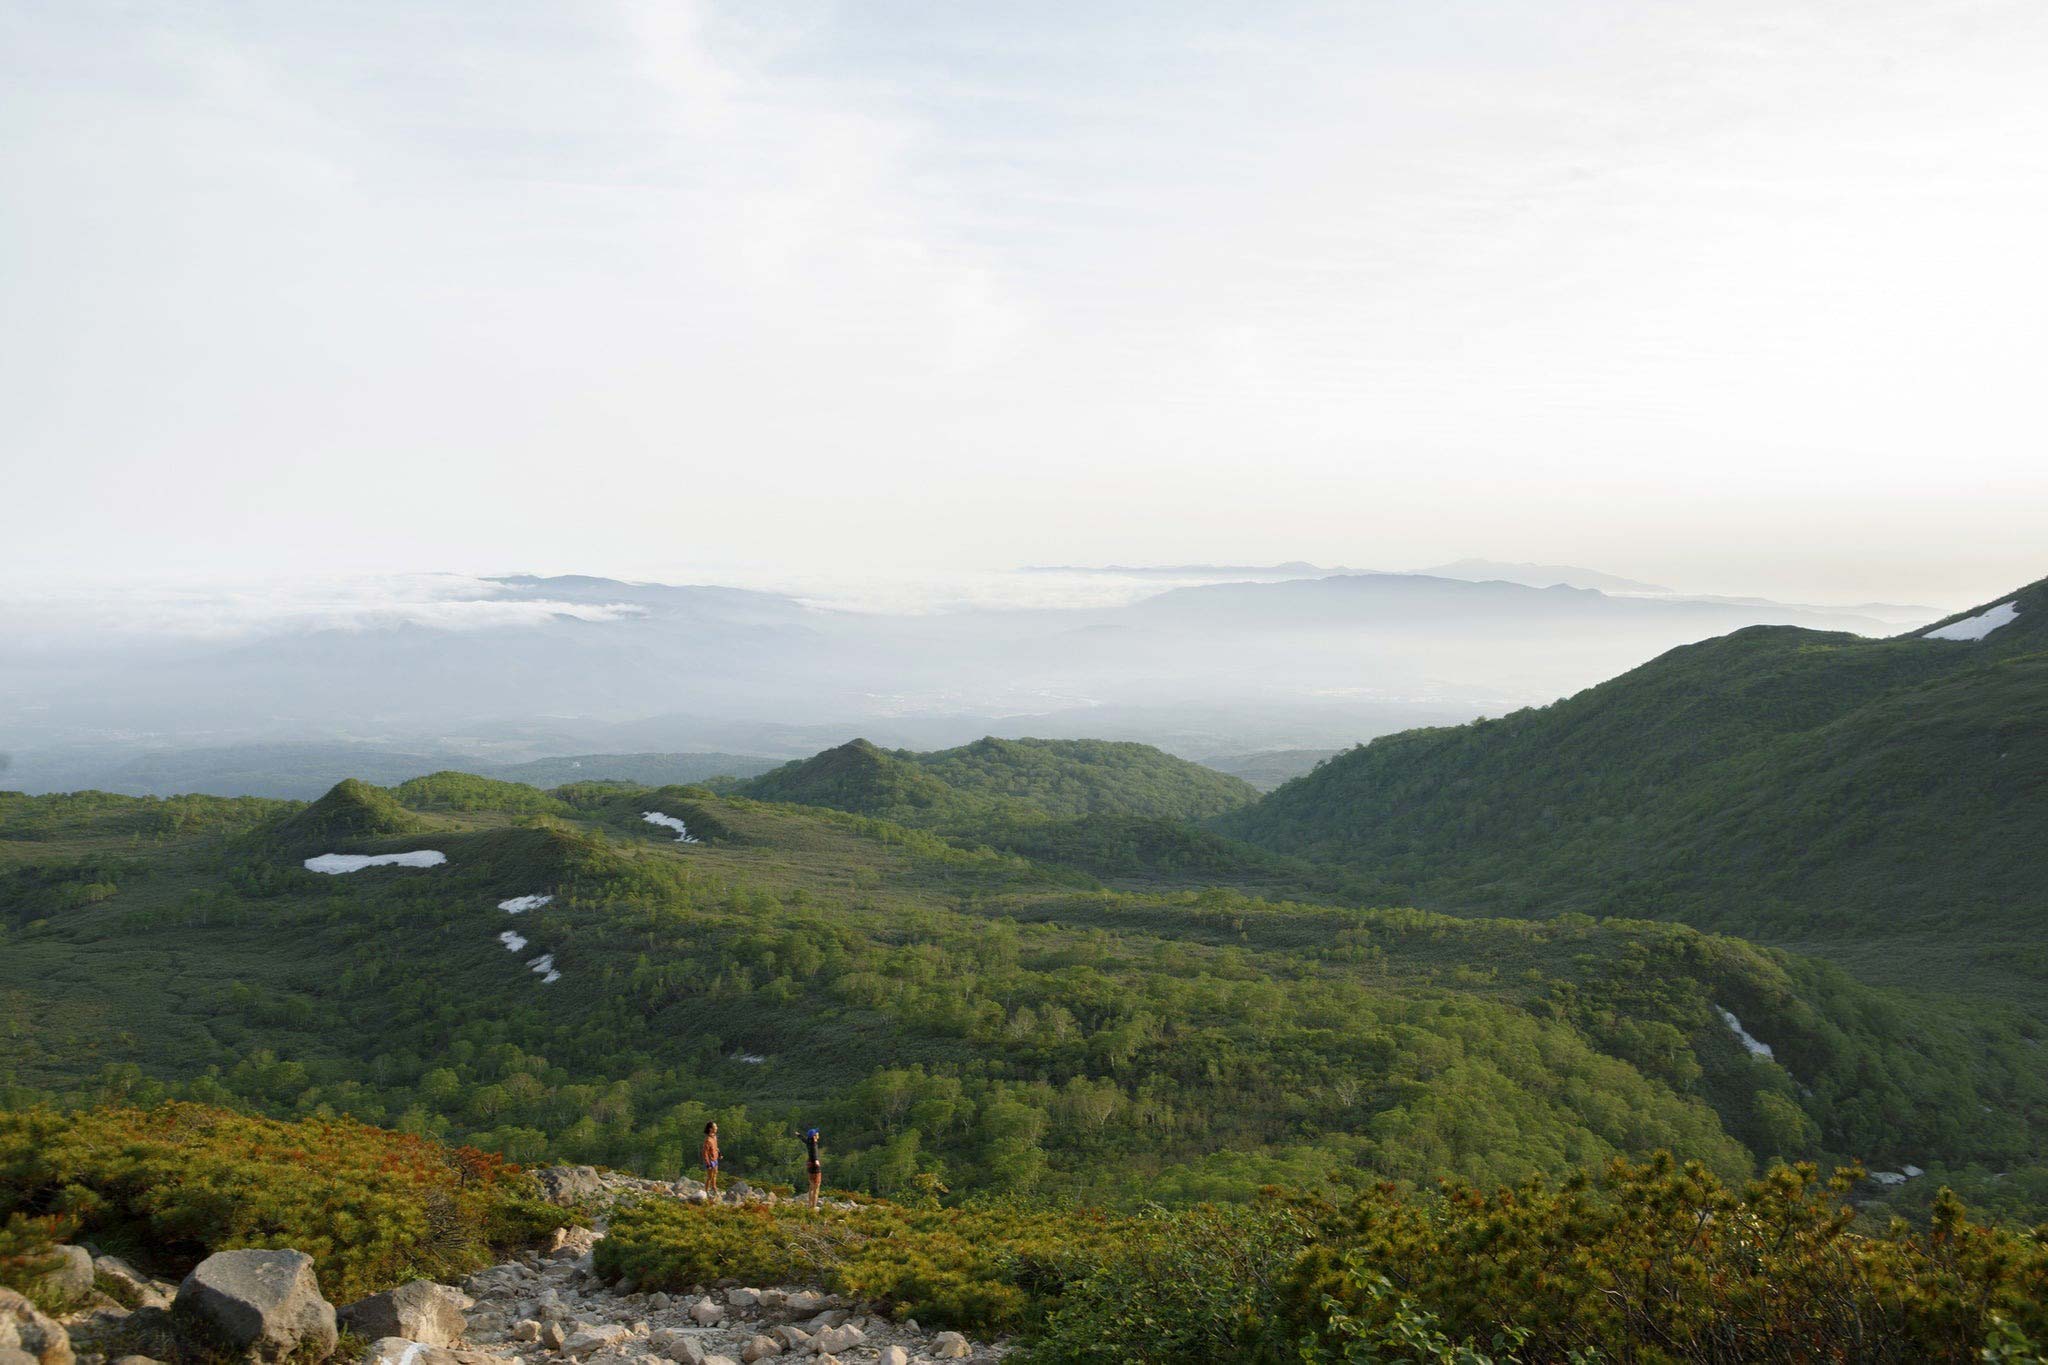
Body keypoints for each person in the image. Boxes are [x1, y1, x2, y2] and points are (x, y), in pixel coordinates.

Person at [801, 1126, 823, 1210]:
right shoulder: (813, 1144)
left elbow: (803, 1140)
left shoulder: (808, 1142)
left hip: (809, 1166)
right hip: (815, 1167)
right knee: (816, 1188)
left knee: (811, 1186)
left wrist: (799, 1135)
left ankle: (809, 1204)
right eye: (816, 1133)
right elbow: (814, 1152)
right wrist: (816, 1160)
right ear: (814, 1136)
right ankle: (813, 1207)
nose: (818, 1134)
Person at [701, 1121, 720, 1196]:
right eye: (715, 1126)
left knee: (715, 1174)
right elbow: (704, 1153)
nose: (716, 1128)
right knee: (709, 1177)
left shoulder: (714, 1137)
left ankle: (714, 1188)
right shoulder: (708, 1140)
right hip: (710, 1160)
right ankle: (706, 1191)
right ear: (710, 1129)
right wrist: (708, 1164)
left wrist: (719, 1154)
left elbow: (716, 1147)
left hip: (715, 1159)